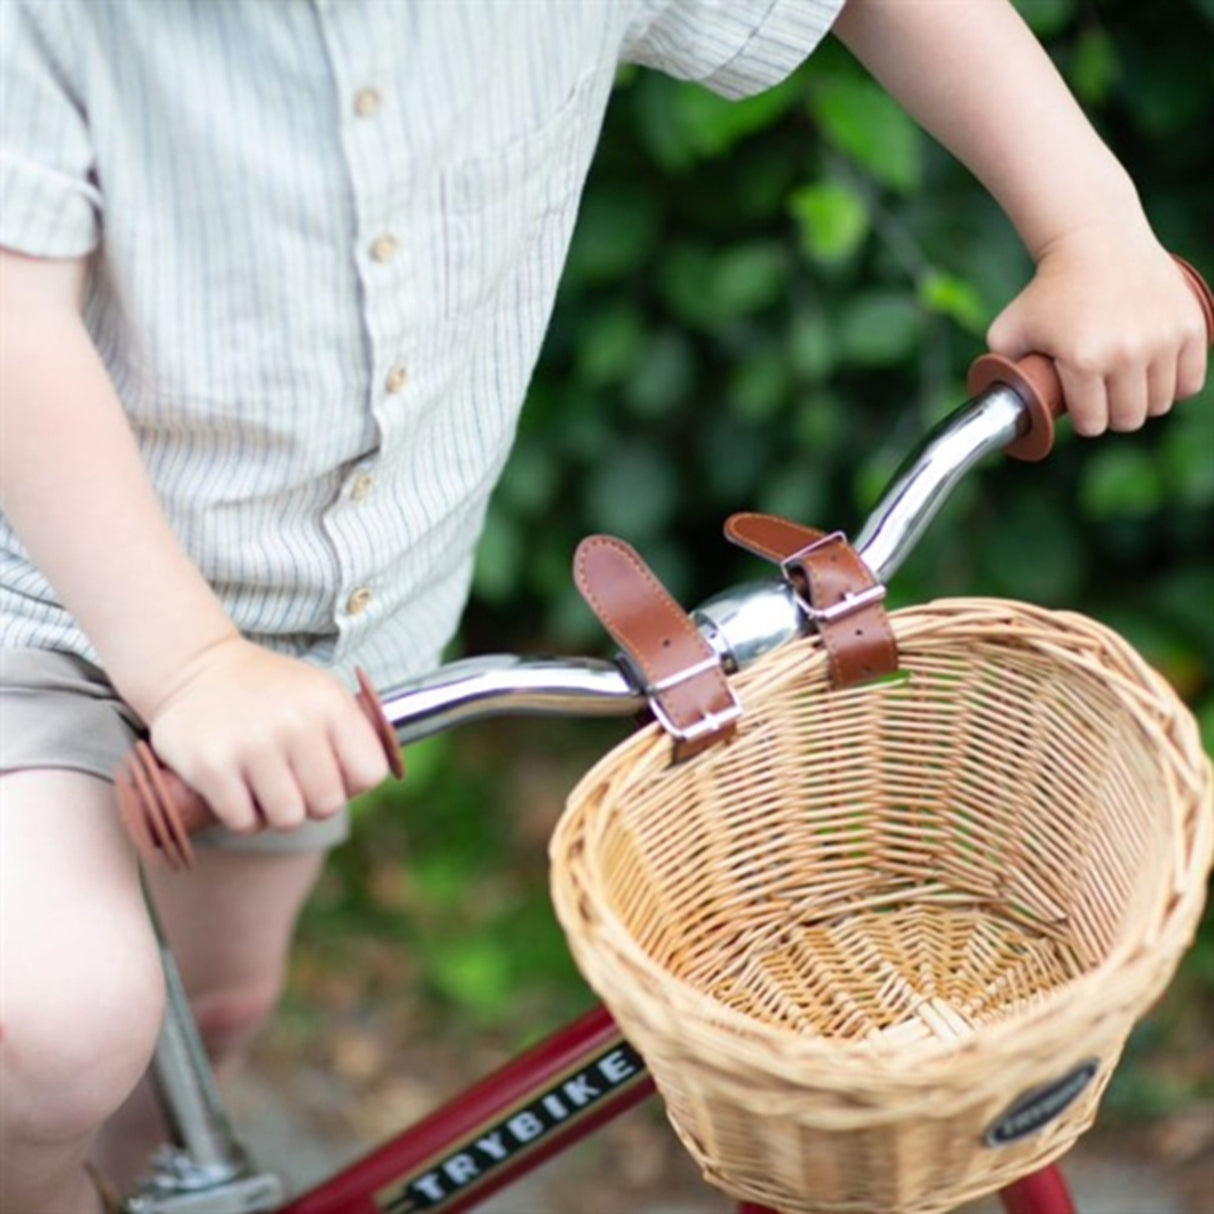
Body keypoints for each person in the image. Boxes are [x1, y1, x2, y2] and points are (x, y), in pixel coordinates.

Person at [0, 2, 1206, 1211]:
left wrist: (1090, 227)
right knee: (57, 1029)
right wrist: (192, 662)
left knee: (205, 1016)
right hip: (44, 592)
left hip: (333, 646)